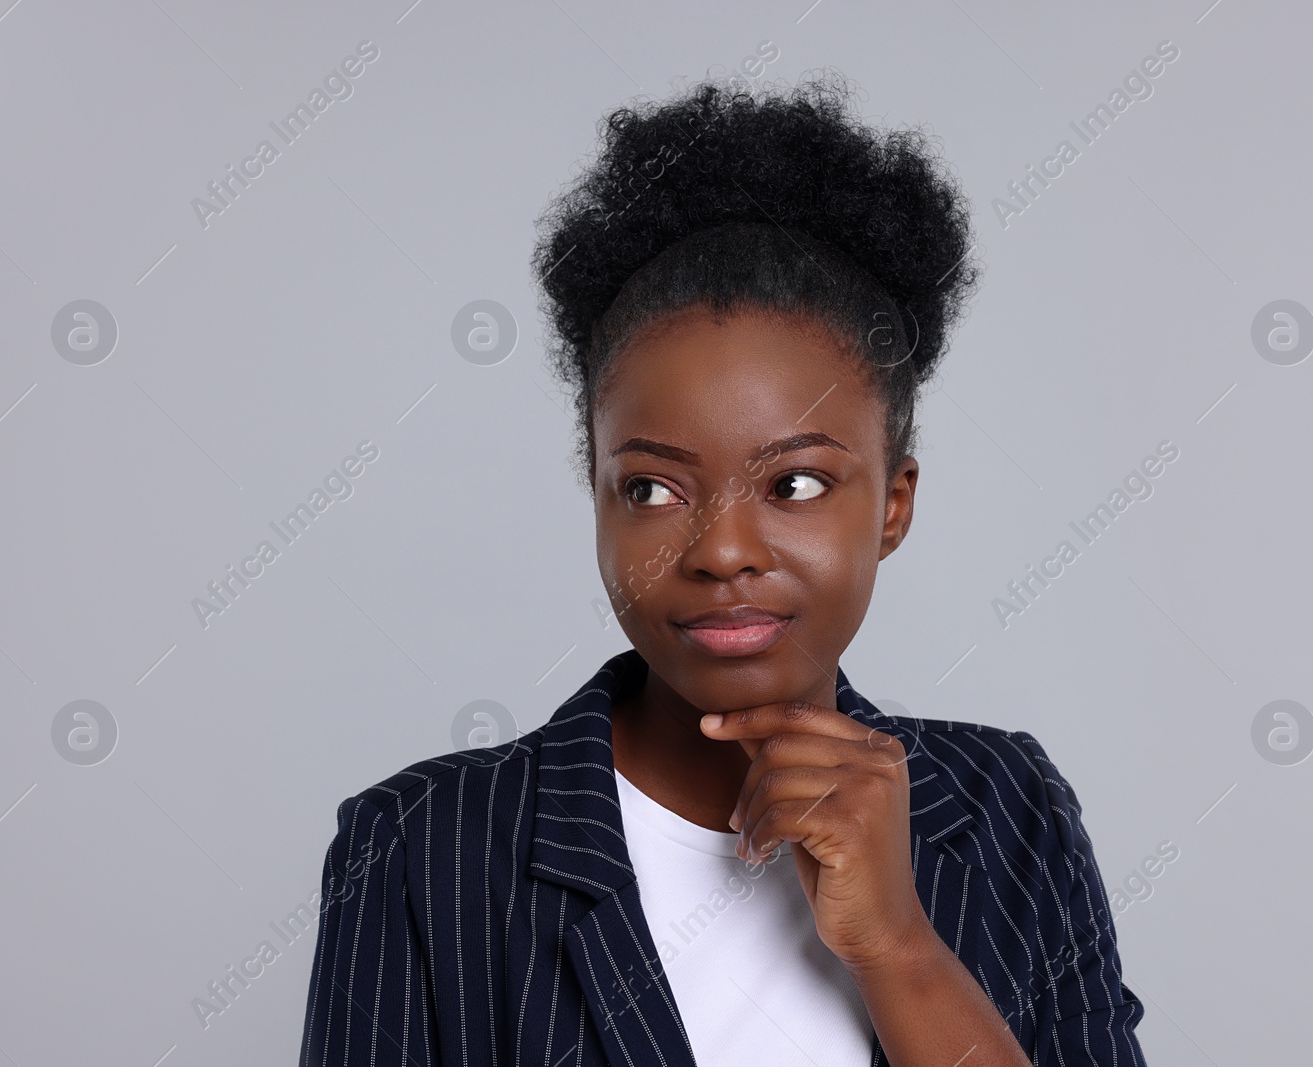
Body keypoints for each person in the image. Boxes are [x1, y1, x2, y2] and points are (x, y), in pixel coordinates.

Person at [299, 73, 1147, 1066]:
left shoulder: (1009, 812)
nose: (721, 550)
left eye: (793, 483)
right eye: (654, 489)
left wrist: (897, 946)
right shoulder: (419, 848)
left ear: (893, 504)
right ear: (597, 494)